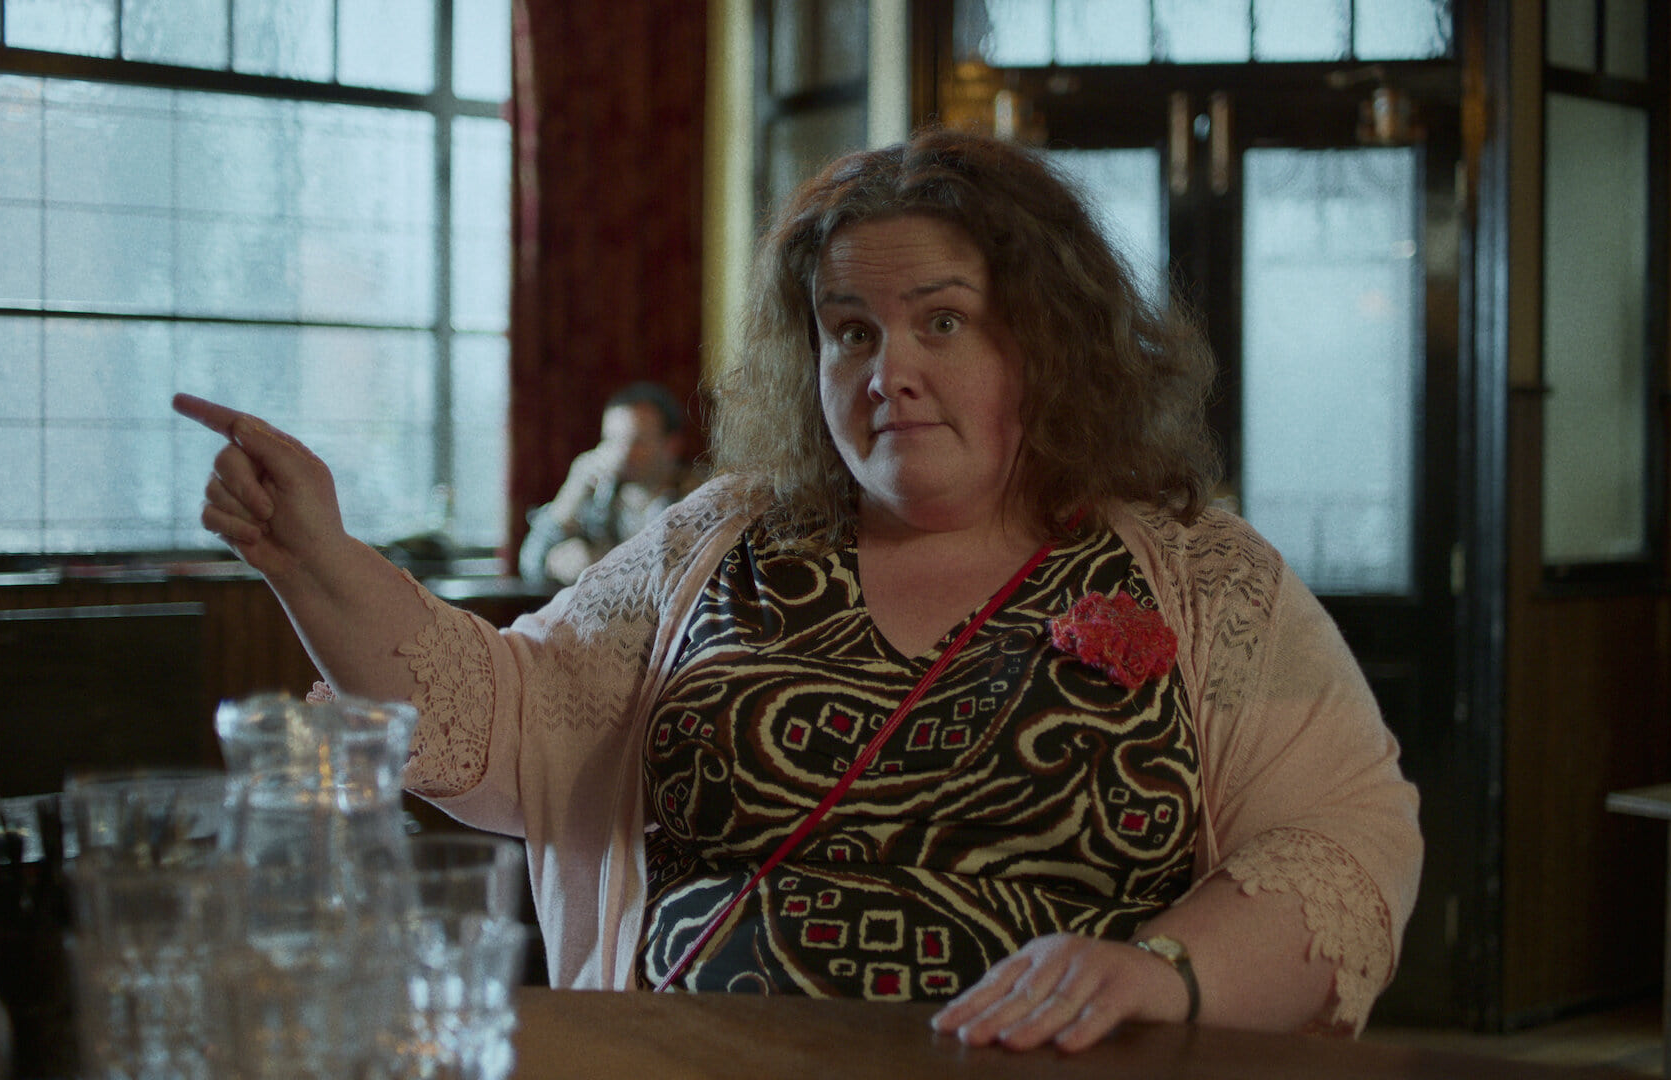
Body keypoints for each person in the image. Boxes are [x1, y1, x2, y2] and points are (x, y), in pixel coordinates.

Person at [174, 126, 1421, 1053]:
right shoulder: (715, 540)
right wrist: (314, 557)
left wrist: (1165, 975)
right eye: (851, 330)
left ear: (1046, 340)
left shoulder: (1199, 575)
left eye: (943, 323)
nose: (889, 371)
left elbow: (1344, 839)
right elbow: (495, 715)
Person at [518, 381, 698, 585]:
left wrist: (605, 568)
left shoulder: (698, 500)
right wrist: (570, 496)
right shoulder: (598, 498)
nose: (623, 453)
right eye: (612, 440)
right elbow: (530, 565)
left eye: (637, 442)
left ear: (671, 445)